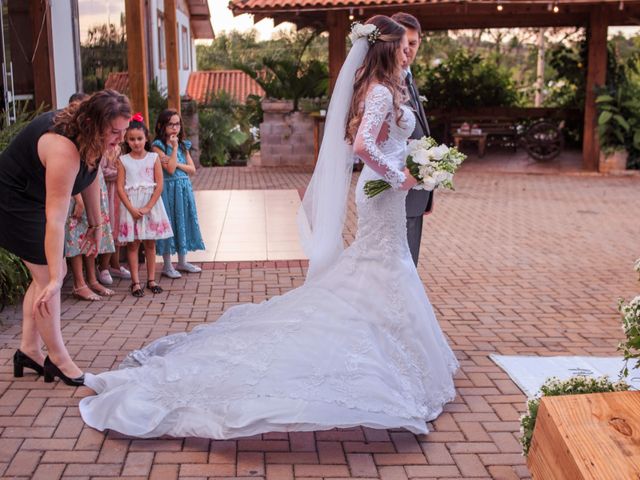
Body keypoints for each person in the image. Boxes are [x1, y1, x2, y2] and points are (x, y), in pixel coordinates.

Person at [79, 16, 457, 439]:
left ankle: (392, 350)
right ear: (387, 48)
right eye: (402, 44)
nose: (408, 50)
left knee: (385, 268)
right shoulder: (383, 90)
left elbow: (379, 141)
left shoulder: (382, 87)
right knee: (386, 266)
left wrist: (416, 162)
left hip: (382, 191)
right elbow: (363, 146)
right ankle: (391, 354)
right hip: (383, 190)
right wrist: (400, 175)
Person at [0, 89, 131, 386]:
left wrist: (97, 226)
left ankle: (28, 350)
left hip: (33, 197)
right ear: (94, 123)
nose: (119, 139)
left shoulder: (93, 138)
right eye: (115, 132)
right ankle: (58, 360)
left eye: (123, 132)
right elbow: (55, 219)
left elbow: (91, 177)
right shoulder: (63, 148)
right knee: (49, 278)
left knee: (43, 277)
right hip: (11, 200)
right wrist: (59, 278)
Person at [391, 12, 433, 267]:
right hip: (395, 190)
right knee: (400, 269)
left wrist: (428, 188)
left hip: (415, 193)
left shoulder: (408, 77)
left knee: (408, 268)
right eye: (402, 43)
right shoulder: (383, 83)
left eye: (413, 44)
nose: (407, 50)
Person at [117, 114, 173, 297]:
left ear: (146, 138)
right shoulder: (123, 160)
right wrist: (131, 209)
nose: (136, 143)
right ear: (126, 139)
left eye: (139, 139)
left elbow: (159, 185)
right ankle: (135, 282)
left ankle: (151, 279)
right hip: (131, 207)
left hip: (151, 206)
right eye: (132, 139)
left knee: (150, 244)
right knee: (133, 245)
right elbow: (120, 188)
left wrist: (148, 207)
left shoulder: (153, 158)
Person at [151, 110, 204, 279]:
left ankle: (182, 261)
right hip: (167, 189)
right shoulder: (157, 146)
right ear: (162, 126)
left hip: (183, 188)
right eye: (171, 124)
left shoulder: (183, 145)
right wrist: (173, 150)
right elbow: (170, 168)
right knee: (169, 223)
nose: (175, 128)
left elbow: (192, 169)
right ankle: (167, 265)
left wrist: (176, 160)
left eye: (177, 124)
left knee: (183, 221)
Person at [97, 145, 132, 285]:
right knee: (110, 229)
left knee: (118, 229)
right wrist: (121, 172)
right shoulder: (104, 149)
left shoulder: (120, 148)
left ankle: (115, 265)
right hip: (108, 192)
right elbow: (101, 171)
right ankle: (103, 267)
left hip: (120, 193)